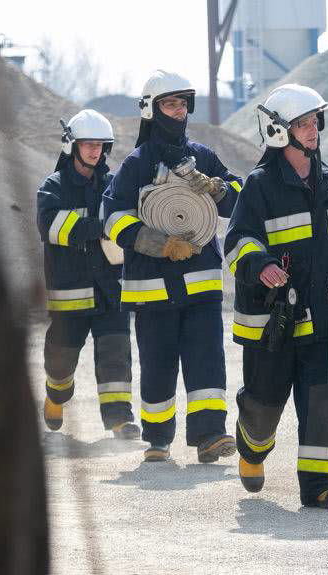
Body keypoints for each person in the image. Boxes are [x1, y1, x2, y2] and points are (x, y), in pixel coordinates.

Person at [103, 70, 242, 463]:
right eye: (169, 103)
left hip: (200, 287)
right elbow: (112, 216)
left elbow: (241, 199)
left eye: (182, 103)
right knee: (158, 365)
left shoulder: (205, 157)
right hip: (151, 288)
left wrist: (217, 188)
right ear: (151, 110)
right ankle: (158, 440)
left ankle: (210, 435)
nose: (178, 111)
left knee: (206, 361)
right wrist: (157, 243)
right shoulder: (136, 164)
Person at [224, 84, 328, 509]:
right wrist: (260, 265)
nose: (312, 130)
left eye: (315, 120)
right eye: (302, 123)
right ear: (280, 131)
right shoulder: (258, 187)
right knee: (264, 405)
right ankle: (251, 444)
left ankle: (318, 484)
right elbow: (238, 239)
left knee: (322, 400)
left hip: (317, 317)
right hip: (270, 324)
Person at [37, 109, 139, 439]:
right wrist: (99, 227)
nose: (95, 151)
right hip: (70, 294)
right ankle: (56, 394)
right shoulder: (53, 188)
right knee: (60, 361)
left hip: (110, 291)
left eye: (100, 145)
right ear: (72, 146)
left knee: (115, 357)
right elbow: (51, 227)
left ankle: (120, 420)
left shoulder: (113, 186)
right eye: (88, 144)